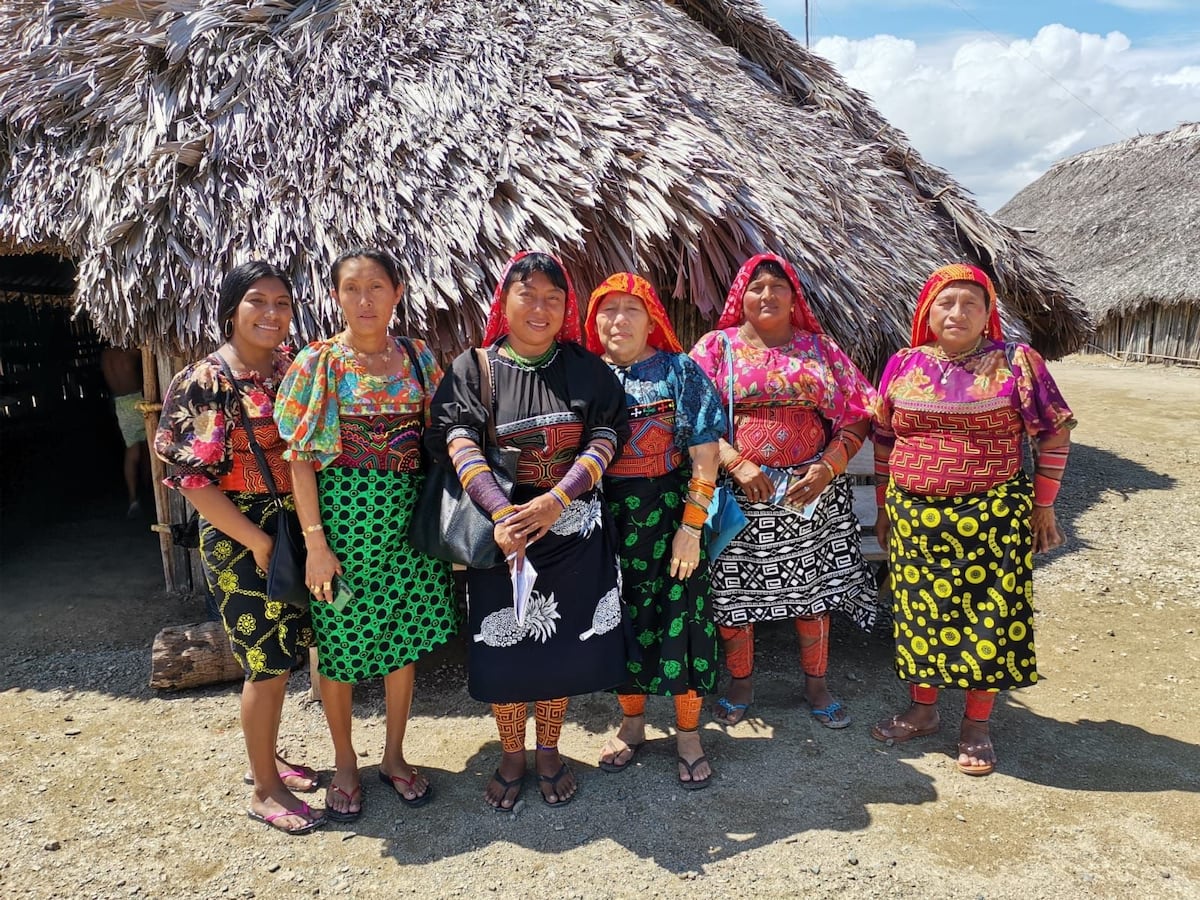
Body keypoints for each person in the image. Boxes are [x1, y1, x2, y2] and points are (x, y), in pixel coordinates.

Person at [425, 251, 630, 810]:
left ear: (567, 307)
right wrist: (502, 514)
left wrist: (558, 499)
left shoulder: (586, 368)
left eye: (553, 298)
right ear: (504, 301)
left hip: (573, 531)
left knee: (558, 646)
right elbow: (459, 442)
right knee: (507, 645)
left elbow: (606, 437)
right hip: (506, 536)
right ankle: (512, 751)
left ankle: (549, 750)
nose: (540, 308)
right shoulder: (475, 368)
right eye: (528, 294)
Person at [274, 248, 460, 821]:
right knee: (338, 649)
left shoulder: (420, 358)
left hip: (410, 526)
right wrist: (315, 543)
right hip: (343, 529)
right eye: (351, 289)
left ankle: (396, 756)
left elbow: (447, 434)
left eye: (376, 287)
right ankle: (346, 761)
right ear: (335, 297)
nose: (364, 300)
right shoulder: (319, 364)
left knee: (402, 641)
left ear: (397, 293)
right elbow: (300, 459)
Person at [870, 263, 1075, 776]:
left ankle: (977, 724)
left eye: (970, 304)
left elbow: (1053, 434)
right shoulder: (903, 364)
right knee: (919, 614)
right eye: (946, 302)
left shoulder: (1016, 362)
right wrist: (883, 509)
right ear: (927, 311)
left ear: (988, 315)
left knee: (988, 616)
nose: (957, 312)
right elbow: (883, 440)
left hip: (991, 514)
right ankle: (923, 709)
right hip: (914, 515)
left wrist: (1043, 504)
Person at [154, 261, 324, 835]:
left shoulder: (290, 369)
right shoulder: (207, 381)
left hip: (290, 523)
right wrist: (255, 541)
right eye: (258, 301)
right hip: (241, 531)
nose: (272, 313)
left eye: (282, 302)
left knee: (286, 652)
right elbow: (192, 481)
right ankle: (263, 788)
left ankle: (269, 758)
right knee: (266, 661)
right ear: (231, 309)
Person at [689, 253, 878, 728]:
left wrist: (830, 467)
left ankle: (816, 685)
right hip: (740, 493)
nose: (767, 295)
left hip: (809, 492)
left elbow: (858, 411)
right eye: (757, 288)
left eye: (777, 287)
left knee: (811, 592)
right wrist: (736, 461)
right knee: (733, 590)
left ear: (794, 298)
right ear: (741, 297)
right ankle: (741, 684)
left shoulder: (821, 350)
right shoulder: (718, 348)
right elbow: (693, 414)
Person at [584, 273, 726, 790]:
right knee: (617, 621)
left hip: (670, 515)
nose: (617, 320)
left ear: (652, 320)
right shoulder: (585, 375)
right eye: (607, 309)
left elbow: (705, 458)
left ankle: (689, 735)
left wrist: (691, 529)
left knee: (682, 620)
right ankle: (633, 723)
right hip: (603, 521)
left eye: (631, 310)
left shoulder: (678, 371)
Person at [101, 346, 147, 517]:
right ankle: (151, 488)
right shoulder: (128, 353)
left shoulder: (105, 355)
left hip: (120, 403)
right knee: (152, 446)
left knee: (132, 450)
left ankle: (133, 498)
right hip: (138, 400)